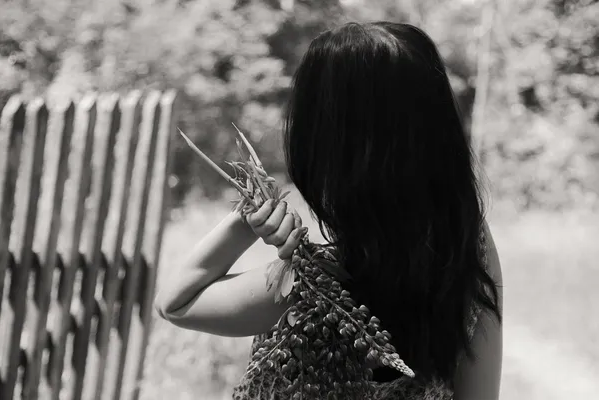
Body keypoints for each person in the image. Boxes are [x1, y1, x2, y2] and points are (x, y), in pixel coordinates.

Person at [155, 21, 503, 400]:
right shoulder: (468, 247)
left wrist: (247, 217)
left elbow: (176, 302)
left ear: (328, 152)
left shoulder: (316, 291)